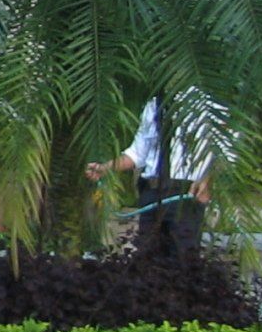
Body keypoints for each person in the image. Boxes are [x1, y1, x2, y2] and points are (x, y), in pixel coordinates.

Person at [87, 94, 224, 257]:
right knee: (147, 257)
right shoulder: (154, 104)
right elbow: (137, 153)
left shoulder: (208, 102)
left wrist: (207, 180)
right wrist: (105, 168)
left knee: (182, 257)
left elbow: (225, 153)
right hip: (151, 191)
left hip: (186, 195)